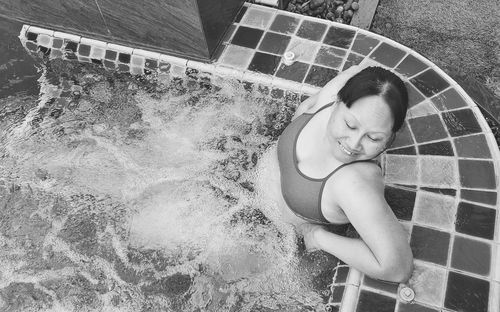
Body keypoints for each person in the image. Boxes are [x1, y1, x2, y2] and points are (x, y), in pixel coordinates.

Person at [261, 65, 413, 283]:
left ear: (389, 141)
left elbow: (397, 267)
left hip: (276, 242)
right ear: (337, 101)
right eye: (350, 125)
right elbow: (361, 69)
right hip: (242, 190)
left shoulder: (353, 184)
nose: (353, 144)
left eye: (374, 138)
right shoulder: (334, 92)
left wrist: (319, 238)